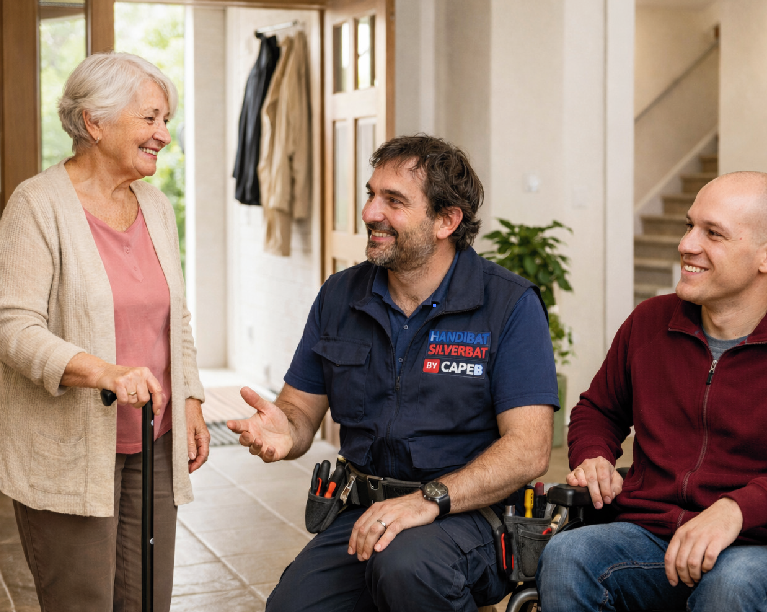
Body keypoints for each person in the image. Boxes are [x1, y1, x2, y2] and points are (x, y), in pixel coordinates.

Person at [227, 135, 560, 611]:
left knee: (405, 567)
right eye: (371, 194)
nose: (370, 213)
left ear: (447, 221)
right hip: (365, 511)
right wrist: (284, 429)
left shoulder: (508, 304)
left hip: (471, 515)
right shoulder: (341, 295)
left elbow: (528, 451)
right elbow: (300, 408)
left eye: (394, 201)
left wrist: (430, 499)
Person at [536, 171, 767, 612]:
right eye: (689, 225)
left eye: (712, 233)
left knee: (732, 584)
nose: (686, 244)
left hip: (763, 544)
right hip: (651, 533)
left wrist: (735, 509)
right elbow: (598, 410)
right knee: (568, 555)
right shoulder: (649, 322)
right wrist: (594, 454)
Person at [0, 52, 209, 612]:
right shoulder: (36, 205)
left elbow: (174, 315)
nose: (163, 133)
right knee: (82, 600)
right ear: (95, 122)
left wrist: (190, 397)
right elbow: (11, 326)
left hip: (151, 441)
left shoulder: (154, 205)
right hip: (65, 446)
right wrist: (102, 371)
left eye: (166, 119)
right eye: (151, 118)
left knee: (148, 598)